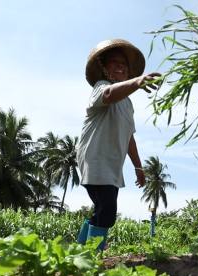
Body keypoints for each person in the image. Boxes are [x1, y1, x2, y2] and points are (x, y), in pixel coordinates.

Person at [75, 39, 160, 250]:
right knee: (107, 211)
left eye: (124, 64)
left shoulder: (128, 103)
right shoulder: (101, 87)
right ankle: (92, 256)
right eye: (114, 62)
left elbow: (129, 137)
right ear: (104, 67)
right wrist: (138, 82)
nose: (120, 66)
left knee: (103, 209)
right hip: (95, 157)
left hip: (111, 163)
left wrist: (138, 167)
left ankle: (79, 251)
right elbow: (109, 95)